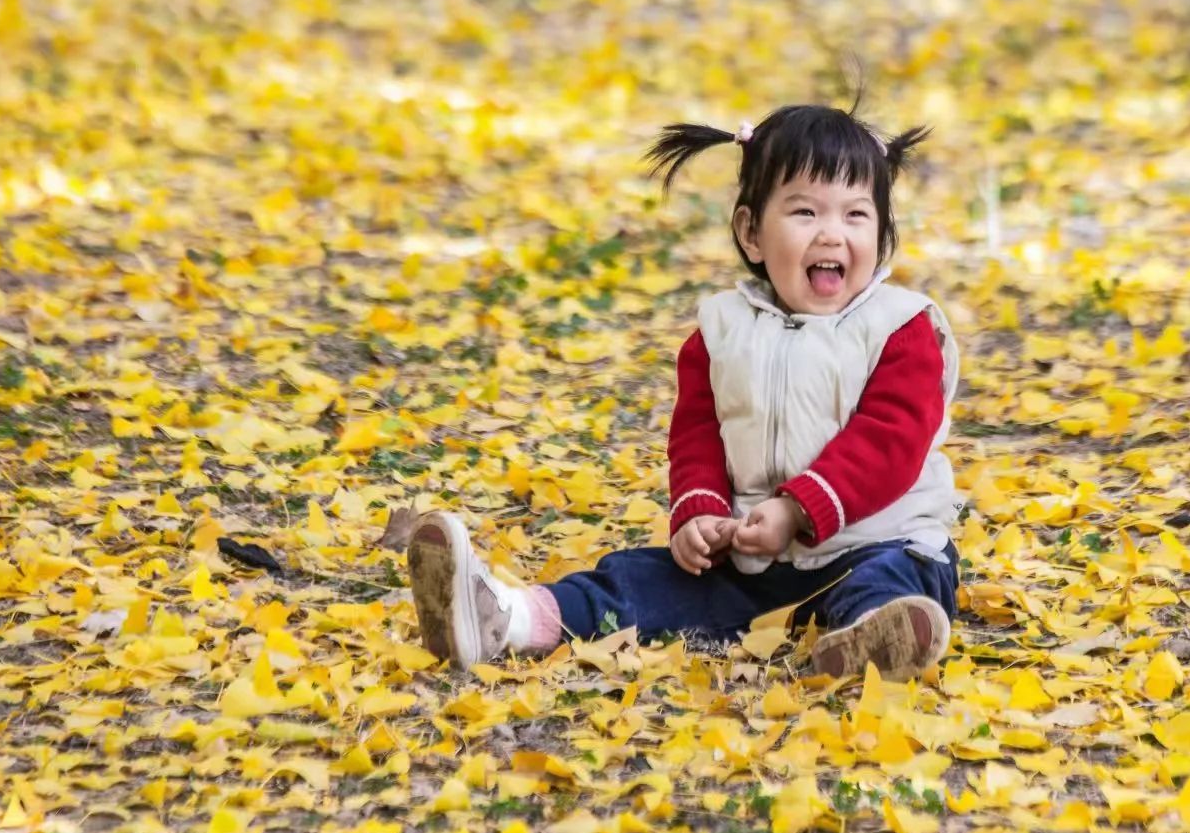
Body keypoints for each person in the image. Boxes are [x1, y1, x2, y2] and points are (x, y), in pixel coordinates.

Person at [408, 103, 962, 681]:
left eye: (856, 215)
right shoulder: (720, 333)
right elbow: (698, 435)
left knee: (893, 577)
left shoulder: (901, 327)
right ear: (751, 233)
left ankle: (874, 639)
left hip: (877, 541)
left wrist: (797, 509)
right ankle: (508, 619)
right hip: (756, 562)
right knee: (638, 579)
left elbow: (890, 441)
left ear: (882, 234)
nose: (832, 233)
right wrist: (702, 514)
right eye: (805, 211)